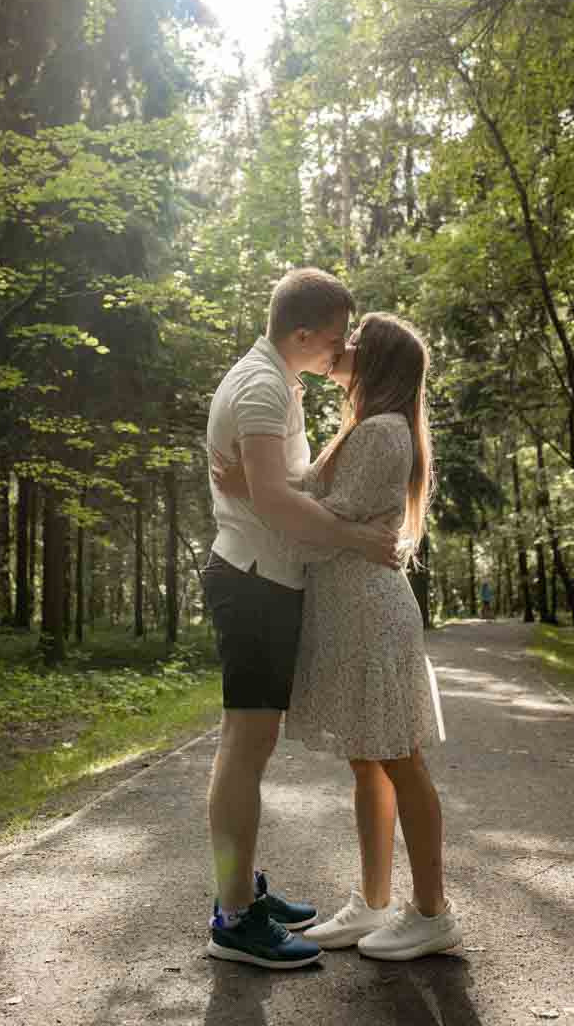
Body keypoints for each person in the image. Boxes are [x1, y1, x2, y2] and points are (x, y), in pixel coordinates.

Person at [215, 312, 461, 961]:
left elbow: (316, 527)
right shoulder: (367, 426)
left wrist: (257, 492)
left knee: (400, 758)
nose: (342, 346)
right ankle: (373, 902)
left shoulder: (381, 431)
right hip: (352, 611)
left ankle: (432, 912)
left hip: (371, 615)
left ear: (376, 360)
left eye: (356, 340)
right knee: (368, 758)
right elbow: (318, 502)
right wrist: (265, 486)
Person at [202, 270, 401, 971]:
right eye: (338, 337)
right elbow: (276, 504)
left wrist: (274, 490)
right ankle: (234, 918)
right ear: (305, 332)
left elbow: (279, 486)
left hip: (264, 578)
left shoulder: (278, 382)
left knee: (248, 746)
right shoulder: (261, 387)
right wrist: (358, 539)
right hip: (253, 582)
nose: (342, 350)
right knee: (244, 747)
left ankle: (239, 892)